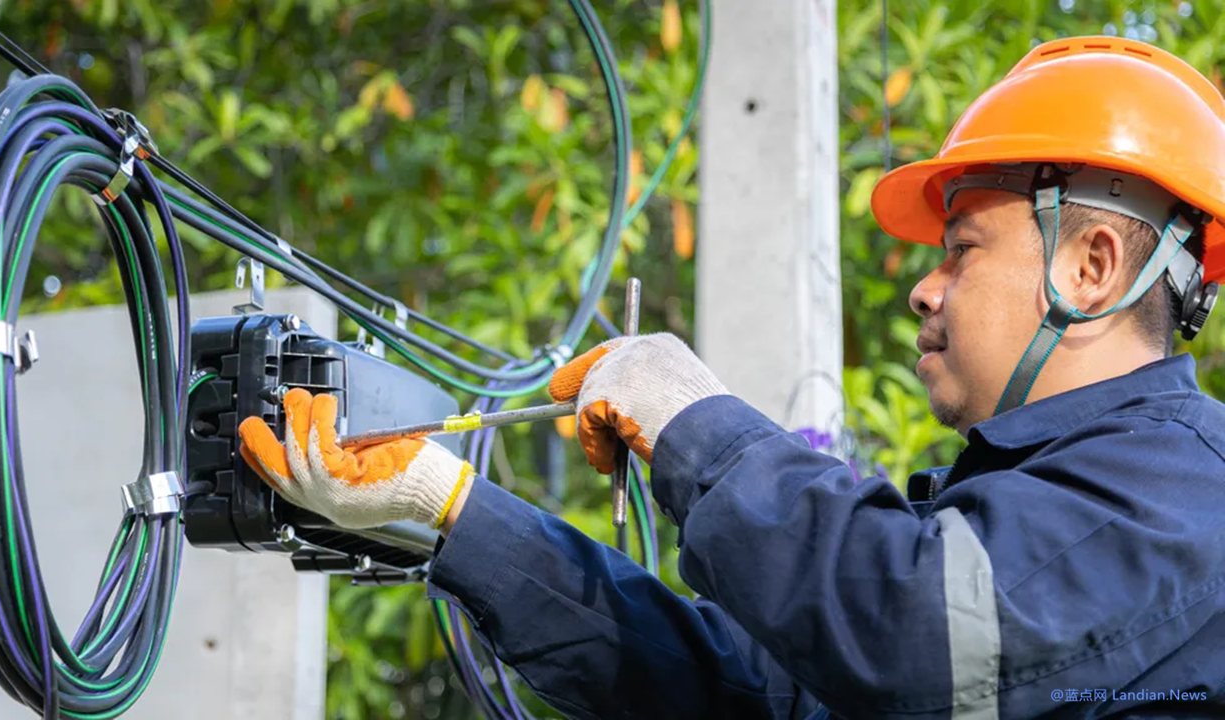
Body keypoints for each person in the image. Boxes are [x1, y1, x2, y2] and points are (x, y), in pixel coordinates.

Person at [236, 37, 1225, 719]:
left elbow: (909, 636)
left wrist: (692, 420)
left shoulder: (1186, 491)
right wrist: (454, 513)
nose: (923, 289)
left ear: (1090, 266)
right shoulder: (1026, 510)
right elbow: (745, 691)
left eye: (959, 247)